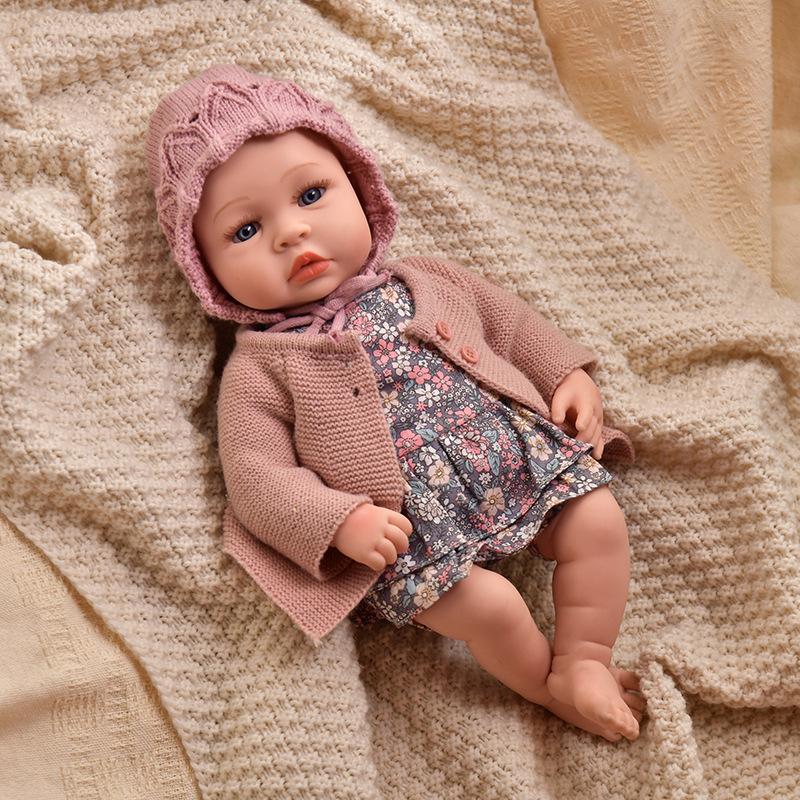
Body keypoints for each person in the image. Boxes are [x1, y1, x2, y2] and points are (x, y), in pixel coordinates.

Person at [146, 64, 646, 742]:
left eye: (312, 194)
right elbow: (257, 479)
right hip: (412, 536)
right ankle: (547, 687)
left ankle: (584, 659)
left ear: (361, 188)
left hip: (516, 464)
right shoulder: (261, 370)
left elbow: (510, 325)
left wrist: (565, 375)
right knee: (493, 608)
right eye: (244, 230)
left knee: (597, 520)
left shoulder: (428, 280)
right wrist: (338, 521)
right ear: (205, 272)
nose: (291, 233)